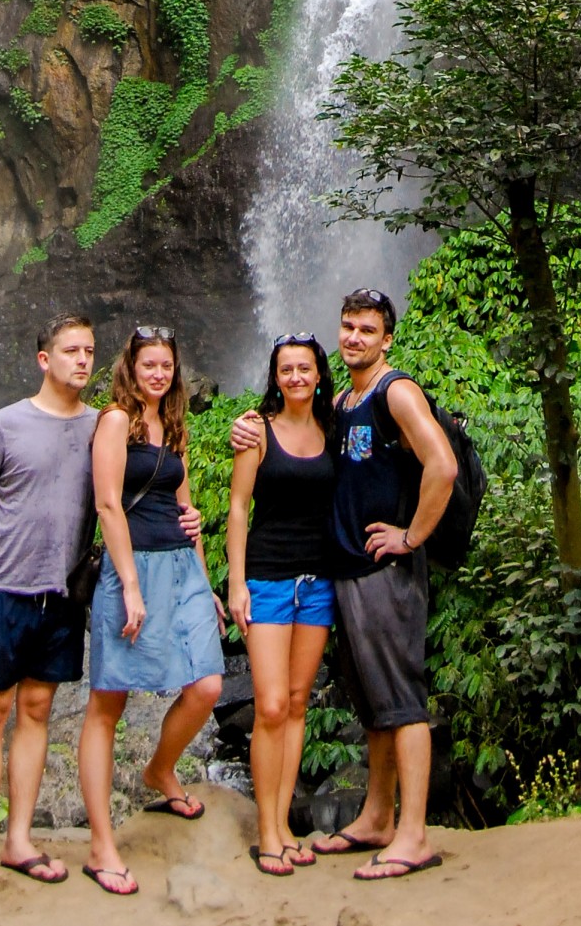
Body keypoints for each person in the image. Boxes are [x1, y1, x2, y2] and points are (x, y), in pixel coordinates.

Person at [232, 287, 456, 882]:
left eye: (367, 329)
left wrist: (410, 536)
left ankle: (412, 835)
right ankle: (378, 818)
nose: (355, 337)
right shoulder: (343, 403)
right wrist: (245, 428)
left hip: (385, 571)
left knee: (402, 699)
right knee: (374, 701)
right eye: (348, 327)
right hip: (343, 572)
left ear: (387, 338)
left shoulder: (395, 391)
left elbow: (444, 464)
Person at [0, 317, 99, 910]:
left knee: (37, 709)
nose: (82, 360)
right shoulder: (5, 424)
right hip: (4, 590)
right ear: (44, 359)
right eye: (70, 351)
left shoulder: (101, 426)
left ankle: (19, 839)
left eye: (89, 351)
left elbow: (137, 482)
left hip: (63, 594)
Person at [78, 328, 226, 899]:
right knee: (108, 702)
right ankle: (101, 845)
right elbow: (109, 504)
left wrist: (206, 583)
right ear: (131, 368)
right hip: (129, 569)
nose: (159, 374)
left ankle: (159, 770)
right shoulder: (116, 422)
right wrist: (132, 587)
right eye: (149, 365)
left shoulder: (175, 426)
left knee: (209, 684)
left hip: (181, 568)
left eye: (167, 365)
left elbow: (185, 508)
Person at [226, 334, 338, 878]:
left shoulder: (333, 430)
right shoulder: (256, 432)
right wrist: (236, 583)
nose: (296, 376)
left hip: (317, 582)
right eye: (286, 369)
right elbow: (238, 508)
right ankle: (266, 831)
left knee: (296, 704)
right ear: (275, 377)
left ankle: (285, 824)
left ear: (319, 375)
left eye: (305, 368)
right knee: (269, 706)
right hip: (268, 581)